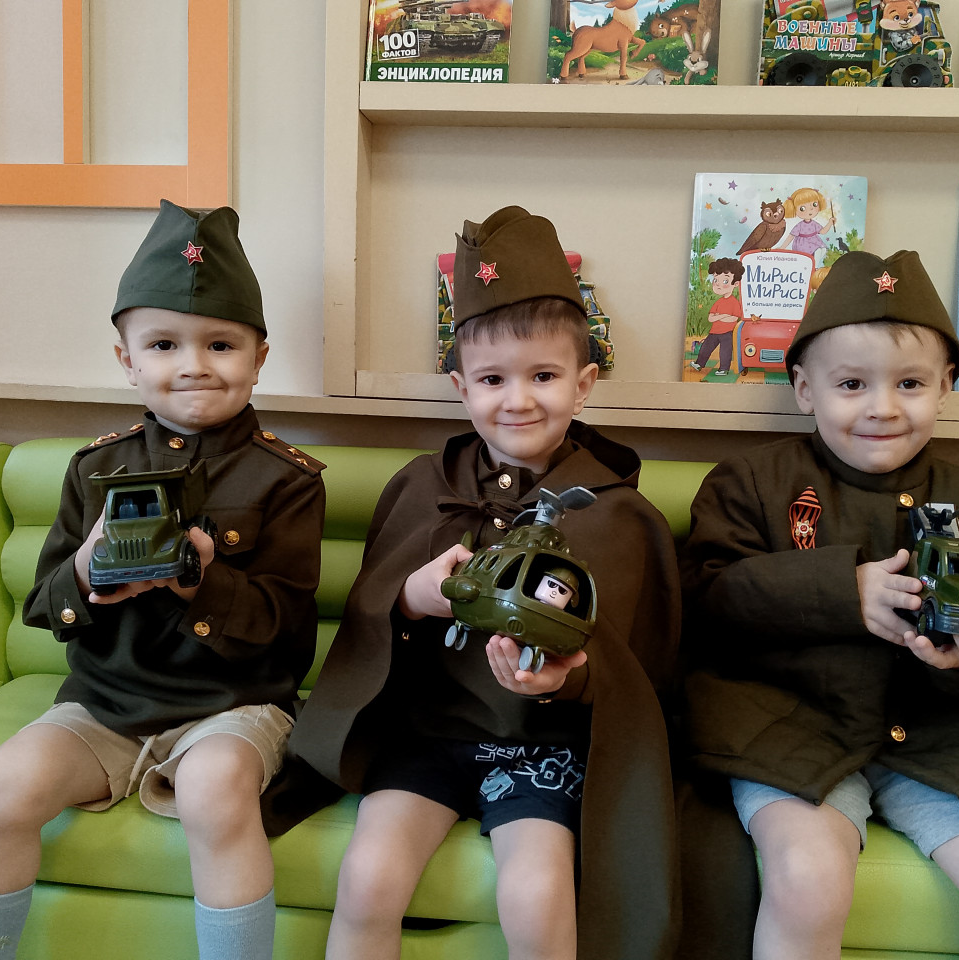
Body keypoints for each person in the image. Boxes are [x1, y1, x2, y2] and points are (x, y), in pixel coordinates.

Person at [290, 205, 681, 960]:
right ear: (461, 386)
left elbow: (641, 674)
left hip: (542, 746)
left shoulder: (619, 514)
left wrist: (566, 680)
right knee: (367, 877)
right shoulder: (421, 487)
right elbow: (371, 615)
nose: (518, 400)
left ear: (584, 383)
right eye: (493, 378)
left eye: (544, 376)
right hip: (426, 736)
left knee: (536, 895)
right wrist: (413, 598)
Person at [0, 200, 326, 960]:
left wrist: (199, 585)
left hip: (234, 706)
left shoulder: (288, 479)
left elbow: (288, 628)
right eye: (162, 344)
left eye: (221, 344)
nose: (193, 364)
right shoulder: (95, 468)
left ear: (259, 357)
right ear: (126, 359)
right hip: (105, 705)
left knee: (214, 793)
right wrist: (87, 570)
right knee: (1, 786)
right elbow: (43, 608)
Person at [677, 250, 959, 960]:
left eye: (910, 383)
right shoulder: (750, 481)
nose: (883, 407)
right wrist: (842, 591)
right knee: (807, 877)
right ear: (805, 388)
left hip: (944, 741)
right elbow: (706, 601)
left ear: (946, 386)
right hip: (790, 731)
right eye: (852, 384)